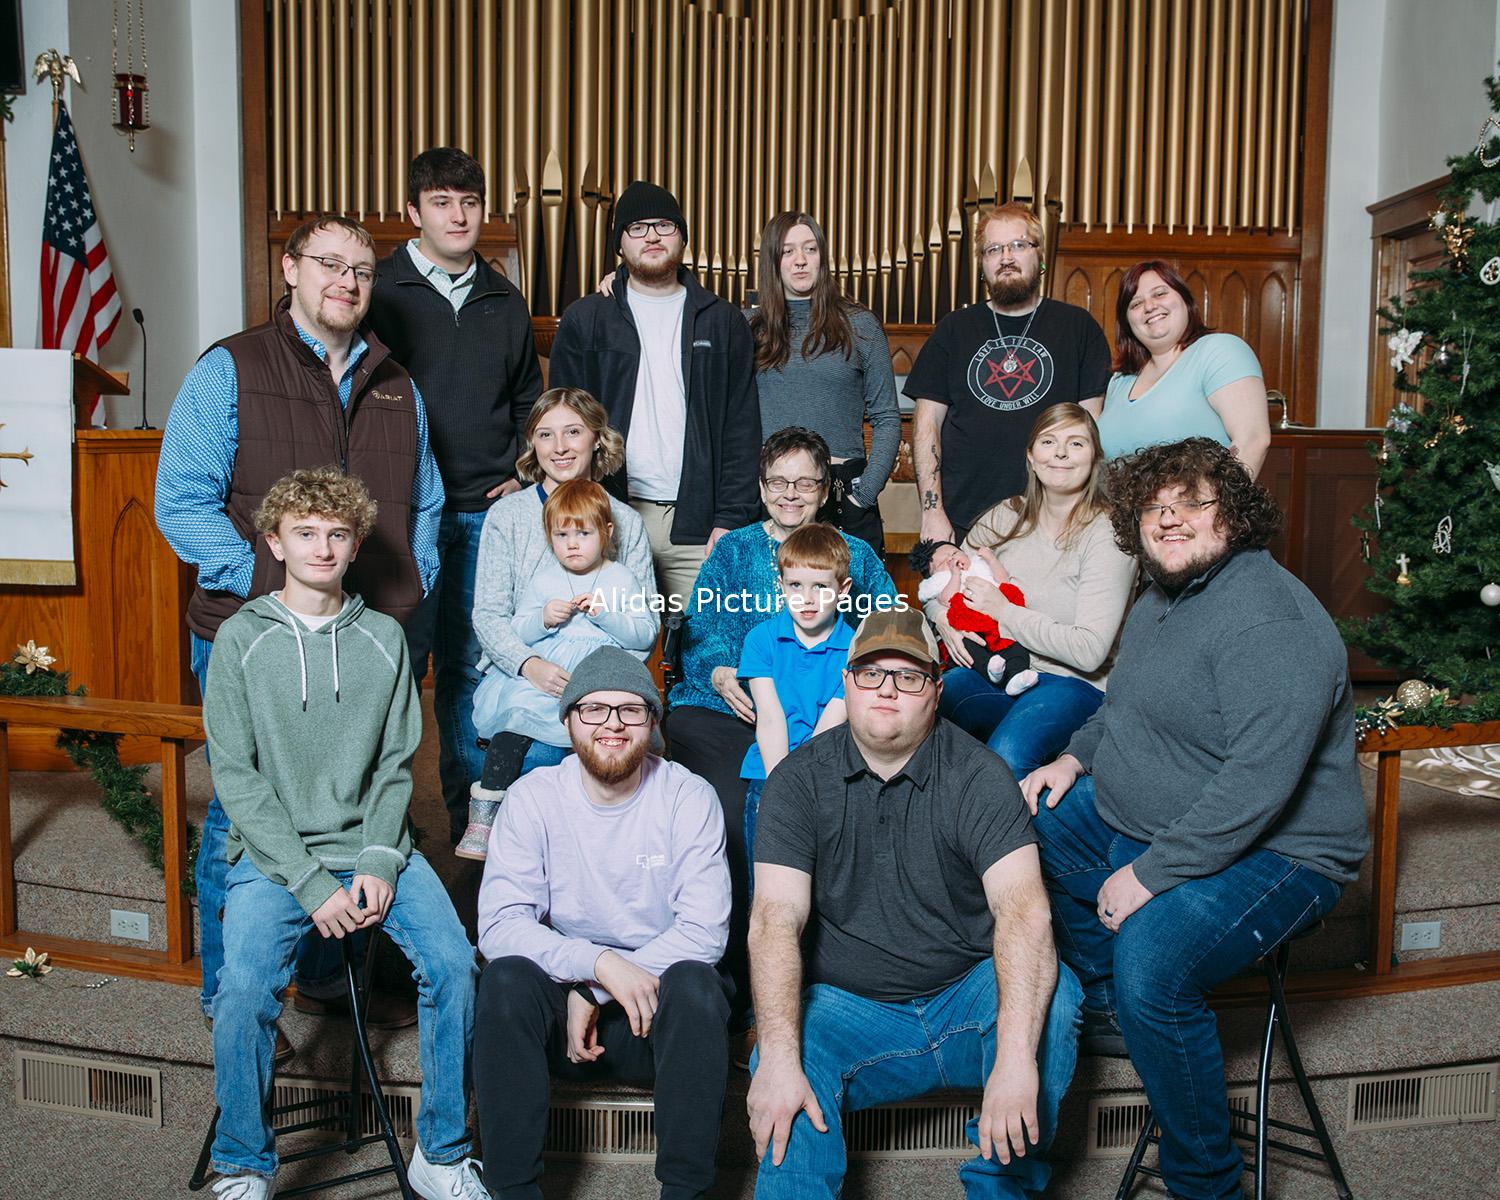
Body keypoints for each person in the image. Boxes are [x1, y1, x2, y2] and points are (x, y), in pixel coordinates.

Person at [1020, 437, 1368, 1200]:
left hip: (1283, 852)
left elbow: (1257, 786)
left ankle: (1207, 1182)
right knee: (1025, 823)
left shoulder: (1269, 621)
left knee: (1152, 966)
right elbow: (1123, 709)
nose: (1169, 519)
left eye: (1192, 503)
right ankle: (1110, 1004)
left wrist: (1150, 875)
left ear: (1232, 516)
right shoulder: (1161, 599)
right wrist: (1073, 759)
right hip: (1158, 818)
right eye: (1154, 506)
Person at [156, 214, 443, 1039]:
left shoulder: (398, 384)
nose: (347, 281)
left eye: (362, 270)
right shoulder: (231, 367)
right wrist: (267, 584)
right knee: (241, 810)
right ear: (290, 270)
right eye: (329, 263)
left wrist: (411, 583)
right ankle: (230, 998)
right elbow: (181, 503)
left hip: (364, 632)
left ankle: (322, 976)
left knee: (353, 798)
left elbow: (424, 501)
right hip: (249, 633)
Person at [202, 468, 482, 1200]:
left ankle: (443, 1153)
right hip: (277, 858)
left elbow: (395, 766)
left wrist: (381, 862)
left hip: (376, 846)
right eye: (304, 533)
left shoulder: (386, 639)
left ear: (356, 545)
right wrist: (308, 882)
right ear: (275, 542)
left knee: (454, 965)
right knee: (241, 991)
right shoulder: (240, 639)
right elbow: (236, 778)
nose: (321, 548)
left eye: (336, 534)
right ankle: (244, 1161)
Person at [745, 607, 1082, 1199]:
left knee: (1054, 998)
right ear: (846, 683)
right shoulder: (796, 781)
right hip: (851, 1011)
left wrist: (1015, 1061)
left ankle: (1000, 1188)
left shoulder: (980, 776)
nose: (887, 689)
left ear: (936, 689)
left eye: (908, 676)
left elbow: (1024, 912)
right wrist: (774, 1055)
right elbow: (775, 920)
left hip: (965, 998)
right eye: (871, 673)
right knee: (785, 1046)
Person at [474, 647, 733, 1200]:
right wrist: (594, 965)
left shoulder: (688, 796)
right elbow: (499, 925)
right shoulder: (532, 798)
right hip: (560, 1028)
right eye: (593, 709)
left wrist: (595, 990)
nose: (612, 724)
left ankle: (685, 1193)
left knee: (697, 983)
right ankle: (513, 1193)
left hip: (654, 1022)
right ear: (568, 720)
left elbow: (705, 931)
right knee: (504, 980)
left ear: (652, 722)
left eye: (630, 709)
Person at [664, 426, 898, 1035]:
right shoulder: (734, 551)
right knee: (728, 803)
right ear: (762, 486)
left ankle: (825, 969)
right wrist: (722, 672)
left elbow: (885, 630)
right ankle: (733, 969)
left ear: (826, 489)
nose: (790, 494)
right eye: (778, 482)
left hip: (826, 714)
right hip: (729, 709)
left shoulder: (856, 555)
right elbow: (702, 628)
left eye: (805, 483)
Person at [367, 146, 545, 840]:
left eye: (469, 202)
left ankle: (473, 825)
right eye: (442, 203)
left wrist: (524, 471)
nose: (458, 216)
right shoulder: (379, 290)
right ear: (414, 212)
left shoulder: (504, 299)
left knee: (472, 675)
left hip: (482, 514)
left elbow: (528, 400)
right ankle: (382, 828)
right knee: (396, 670)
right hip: (401, 517)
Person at [548, 180, 761, 605]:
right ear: (620, 244)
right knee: (609, 640)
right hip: (609, 517)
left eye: (664, 225)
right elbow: (562, 425)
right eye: (637, 227)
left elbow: (741, 428)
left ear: (682, 237)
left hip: (700, 526)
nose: (652, 236)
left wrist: (730, 519)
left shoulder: (722, 322)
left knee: (706, 642)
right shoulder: (587, 319)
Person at [470, 388, 658, 819]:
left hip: (605, 681)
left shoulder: (625, 521)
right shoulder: (507, 516)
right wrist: (529, 665)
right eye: (545, 434)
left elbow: (645, 624)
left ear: (597, 439)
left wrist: (599, 686)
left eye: (573, 432)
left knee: (608, 761)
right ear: (532, 445)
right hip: (527, 674)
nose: (559, 447)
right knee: (534, 758)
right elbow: (489, 614)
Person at [927, 403, 1137, 781]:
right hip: (999, 667)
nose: (1060, 453)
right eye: (1049, 441)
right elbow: (943, 584)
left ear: (1095, 457)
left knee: (1009, 753)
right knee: (929, 707)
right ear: (1031, 456)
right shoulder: (1006, 516)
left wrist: (1004, 611)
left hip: (1074, 682)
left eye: (1076, 443)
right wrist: (943, 618)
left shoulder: (1108, 533)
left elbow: (1089, 651)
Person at [461, 479, 658, 857]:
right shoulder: (545, 579)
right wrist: (543, 619)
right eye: (561, 535)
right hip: (546, 674)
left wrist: (606, 615)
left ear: (606, 532)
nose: (572, 544)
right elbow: (517, 630)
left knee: (598, 731)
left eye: (583, 534)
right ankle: (486, 810)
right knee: (515, 716)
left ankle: (604, 830)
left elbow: (644, 633)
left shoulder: (621, 578)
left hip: (597, 673)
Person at [905, 201, 1111, 545]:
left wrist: (1084, 512)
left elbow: (1092, 427)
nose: (1006, 257)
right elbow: (927, 426)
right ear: (982, 264)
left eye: (1018, 245)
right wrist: (932, 511)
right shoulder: (954, 329)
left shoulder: (1078, 327)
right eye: (993, 249)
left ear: (1039, 255)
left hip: (1056, 520)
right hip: (962, 517)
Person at [750, 211, 900, 555]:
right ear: (772, 261)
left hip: (843, 492)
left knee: (855, 590)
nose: (800, 260)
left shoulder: (860, 325)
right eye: (787, 251)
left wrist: (862, 495)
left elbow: (887, 418)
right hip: (775, 497)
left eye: (810, 248)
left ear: (822, 257)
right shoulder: (749, 328)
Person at [738, 523, 853, 887]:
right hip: (770, 774)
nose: (807, 598)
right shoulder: (761, 640)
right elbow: (771, 720)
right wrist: (782, 789)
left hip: (827, 776)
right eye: (796, 586)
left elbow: (829, 730)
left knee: (823, 886)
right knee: (767, 888)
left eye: (821, 587)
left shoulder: (855, 648)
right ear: (781, 586)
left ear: (843, 590)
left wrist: (803, 792)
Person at [1088, 259, 1271, 478]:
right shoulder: (1119, 381)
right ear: (1126, 322)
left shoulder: (1219, 351)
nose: (1149, 306)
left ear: (1185, 300)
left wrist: (1213, 500)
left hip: (1199, 501)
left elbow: (1253, 440)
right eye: (1135, 304)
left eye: (1160, 294)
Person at [911, 539, 1037, 694]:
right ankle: (990, 668)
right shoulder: (942, 580)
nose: (952, 559)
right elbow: (947, 599)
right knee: (967, 646)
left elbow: (1003, 580)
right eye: (944, 562)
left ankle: (1016, 678)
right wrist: (955, 575)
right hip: (970, 628)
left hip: (997, 625)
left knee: (1016, 647)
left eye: (955, 553)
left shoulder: (980, 566)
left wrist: (991, 559)